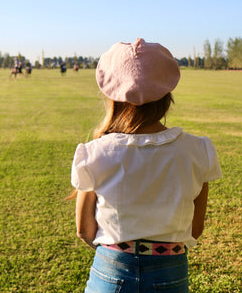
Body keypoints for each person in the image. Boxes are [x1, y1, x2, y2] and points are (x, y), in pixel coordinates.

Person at [70, 38, 222, 293]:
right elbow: (194, 230)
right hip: (170, 272)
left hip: (111, 271)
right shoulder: (198, 150)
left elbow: (85, 230)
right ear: (167, 94)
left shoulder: (95, 153)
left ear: (113, 97)